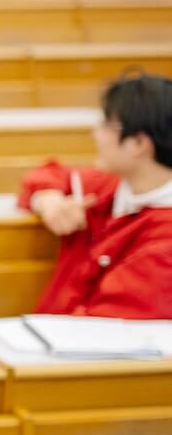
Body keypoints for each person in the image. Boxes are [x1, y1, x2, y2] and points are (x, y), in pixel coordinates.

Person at [19, 72, 172, 318]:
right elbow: (45, 174)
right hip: (51, 336)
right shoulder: (111, 186)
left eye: (105, 124)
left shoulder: (164, 240)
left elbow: (109, 325)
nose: (95, 133)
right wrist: (48, 200)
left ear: (138, 144)